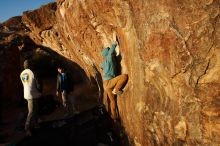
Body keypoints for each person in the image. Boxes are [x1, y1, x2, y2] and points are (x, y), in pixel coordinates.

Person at [101, 40, 128, 121]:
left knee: (113, 101)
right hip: (109, 82)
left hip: (105, 85)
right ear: (107, 53)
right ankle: (115, 90)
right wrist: (114, 43)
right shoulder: (109, 58)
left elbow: (101, 66)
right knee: (124, 76)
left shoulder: (104, 62)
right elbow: (111, 51)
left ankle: (114, 117)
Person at [20, 60, 41, 136]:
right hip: (34, 94)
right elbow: (38, 83)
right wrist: (40, 91)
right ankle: (27, 127)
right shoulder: (32, 72)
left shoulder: (22, 73)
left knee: (35, 109)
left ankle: (36, 124)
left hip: (27, 94)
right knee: (32, 111)